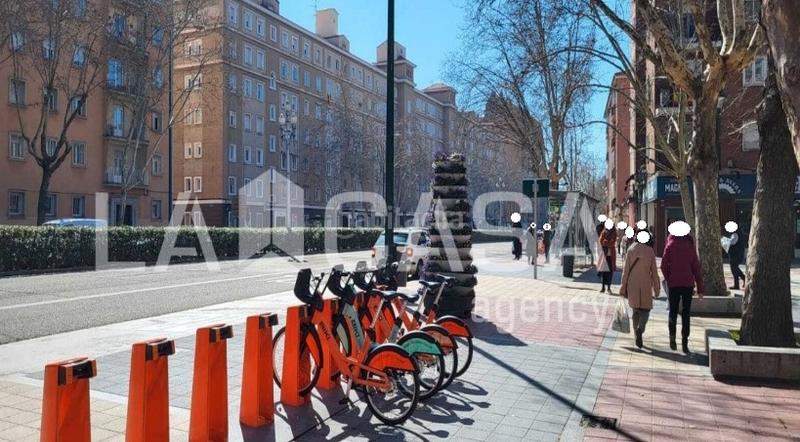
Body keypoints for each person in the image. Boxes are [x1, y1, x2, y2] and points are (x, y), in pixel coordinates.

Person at [661, 231, 704, 354]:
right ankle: (685, 342)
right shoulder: (690, 246)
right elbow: (696, 268)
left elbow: (663, 265)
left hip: (673, 283)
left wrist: (669, 277)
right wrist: (700, 289)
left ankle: (672, 338)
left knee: (673, 311)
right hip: (688, 284)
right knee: (686, 313)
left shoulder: (670, 245)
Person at [619, 231, 661, 349]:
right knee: (646, 310)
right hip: (646, 285)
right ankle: (640, 329)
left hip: (632, 285)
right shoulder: (650, 251)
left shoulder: (631, 249)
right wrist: (657, 290)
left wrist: (623, 287)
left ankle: (636, 333)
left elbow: (625, 271)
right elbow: (654, 273)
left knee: (635, 311)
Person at [597, 221, 618, 293]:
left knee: (610, 273)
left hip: (611, 256)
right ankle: (603, 287)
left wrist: (605, 242)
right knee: (603, 272)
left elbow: (612, 243)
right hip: (604, 256)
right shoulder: (603, 232)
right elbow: (600, 241)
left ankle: (609, 288)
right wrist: (608, 242)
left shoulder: (614, 233)